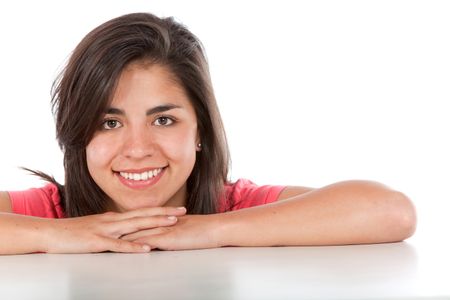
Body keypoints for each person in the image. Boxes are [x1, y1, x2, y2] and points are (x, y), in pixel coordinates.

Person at [0, 12, 416, 255]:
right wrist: (56, 234)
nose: (138, 149)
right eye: (110, 123)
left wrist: (208, 229)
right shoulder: (54, 210)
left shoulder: (232, 205)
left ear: (200, 130)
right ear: (78, 134)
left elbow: (391, 211)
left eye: (163, 120)